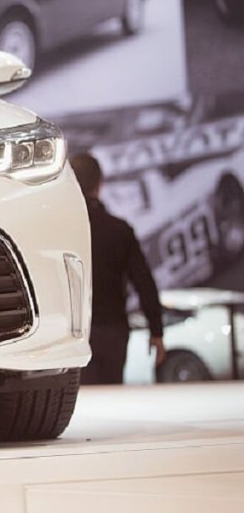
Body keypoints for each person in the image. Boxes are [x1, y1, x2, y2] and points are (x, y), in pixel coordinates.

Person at [70, 153, 165, 384]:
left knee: (79, 404)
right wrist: (157, 331)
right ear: (100, 185)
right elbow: (144, 283)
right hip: (114, 331)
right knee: (112, 403)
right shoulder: (119, 230)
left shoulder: (60, 232)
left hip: (73, 334)